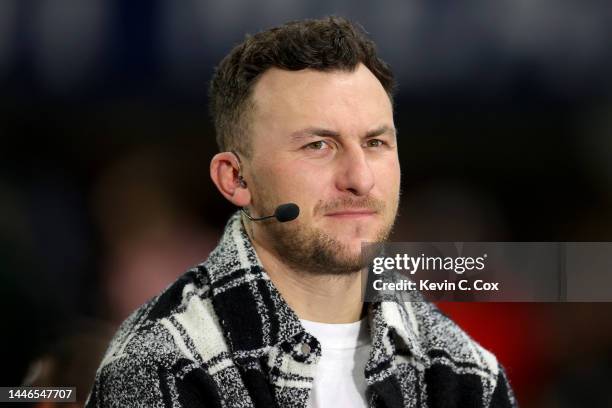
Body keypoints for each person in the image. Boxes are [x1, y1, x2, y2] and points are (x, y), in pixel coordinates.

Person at [86, 17, 516, 407]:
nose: (360, 179)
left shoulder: (466, 372)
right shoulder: (158, 365)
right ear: (235, 178)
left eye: (375, 144)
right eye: (318, 146)